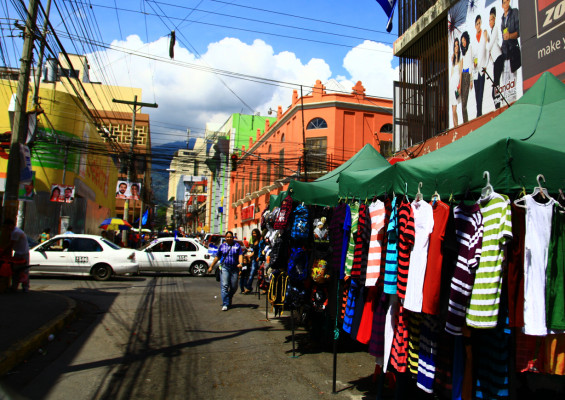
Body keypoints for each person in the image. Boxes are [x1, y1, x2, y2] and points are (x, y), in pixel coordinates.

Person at [207, 231, 243, 311]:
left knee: (234, 286)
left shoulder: (237, 245)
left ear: (233, 237)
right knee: (225, 285)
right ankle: (225, 303)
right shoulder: (222, 246)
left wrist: (241, 263)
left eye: (231, 237)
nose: (229, 238)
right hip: (225, 267)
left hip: (234, 268)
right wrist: (211, 266)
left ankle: (229, 296)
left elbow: (240, 255)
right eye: (227, 237)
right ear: (225, 238)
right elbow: (217, 257)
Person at [500, 0, 520, 102]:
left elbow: (519, 31)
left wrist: (510, 36)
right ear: (502, 5)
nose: (506, 3)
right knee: (505, 86)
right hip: (505, 55)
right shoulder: (502, 18)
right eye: (504, 2)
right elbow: (503, 37)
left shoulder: (515, 12)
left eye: (507, 0)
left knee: (512, 86)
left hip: (513, 53)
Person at [4, 219, 30, 293]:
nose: (6, 229)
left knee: (21, 270)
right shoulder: (16, 231)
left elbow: (11, 244)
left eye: (7, 226)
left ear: (10, 225)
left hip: (22, 254)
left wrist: (3, 252)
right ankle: (17, 287)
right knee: (18, 270)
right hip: (20, 252)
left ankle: (23, 287)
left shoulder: (16, 232)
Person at [486, 6, 503, 109]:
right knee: (496, 84)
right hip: (496, 61)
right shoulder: (492, 31)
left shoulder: (495, 29)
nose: (490, 22)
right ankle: (498, 105)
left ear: (494, 19)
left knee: (496, 84)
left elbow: (489, 46)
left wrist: (486, 38)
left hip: (499, 58)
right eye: (489, 20)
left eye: (491, 20)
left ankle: (498, 106)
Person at [472, 14, 487, 118]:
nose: (478, 25)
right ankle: (478, 112)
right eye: (476, 24)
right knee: (477, 92)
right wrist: (474, 62)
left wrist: (485, 64)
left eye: (479, 23)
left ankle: (480, 112)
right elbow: (474, 56)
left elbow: (486, 49)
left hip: (482, 67)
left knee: (481, 91)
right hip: (475, 70)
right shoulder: (473, 41)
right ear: (475, 26)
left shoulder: (484, 34)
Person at [460, 31, 473, 124]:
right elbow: (462, 67)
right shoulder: (462, 52)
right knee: (462, 102)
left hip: (468, 74)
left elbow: (471, 63)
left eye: (464, 40)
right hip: (463, 75)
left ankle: (466, 122)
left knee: (465, 102)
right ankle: (465, 121)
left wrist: (471, 79)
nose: (463, 42)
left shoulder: (470, 48)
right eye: (462, 41)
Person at [243, 228, 262, 294]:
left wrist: (259, 257)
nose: (254, 234)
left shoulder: (261, 240)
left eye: (255, 233)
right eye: (253, 233)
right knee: (252, 273)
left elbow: (261, 250)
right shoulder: (254, 241)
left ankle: (264, 287)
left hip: (259, 259)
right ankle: (249, 287)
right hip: (254, 259)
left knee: (261, 274)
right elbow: (254, 251)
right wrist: (249, 256)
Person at [450, 38, 462, 127]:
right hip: (451, 84)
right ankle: (454, 125)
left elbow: (461, 74)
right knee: (452, 107)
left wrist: (460, 85)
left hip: (456, 85)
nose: (456, 47)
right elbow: (451, 74)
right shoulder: (453, 61)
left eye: (457, 45)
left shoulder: (461, 60)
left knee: (455, 107)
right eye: (455, 45)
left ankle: (456, 126)